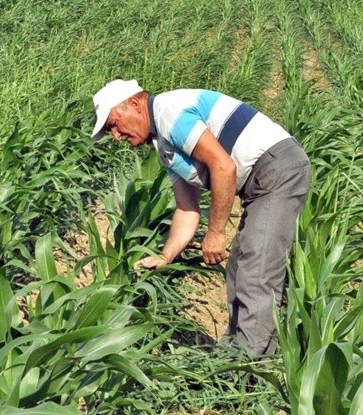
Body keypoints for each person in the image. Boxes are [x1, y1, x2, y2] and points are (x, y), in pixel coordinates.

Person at [90, 79, 311, 355]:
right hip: (262, 180)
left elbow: (223, 166)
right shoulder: (164, 146)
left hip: (277, 168)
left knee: (257, 268)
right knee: (241, 268)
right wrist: (166, 256)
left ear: (134, 104)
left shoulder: (169, 113)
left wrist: (217, 232)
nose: (116, 136)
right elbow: (187, 209)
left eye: (113, 124)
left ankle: (248, 368)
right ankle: (239, 352)